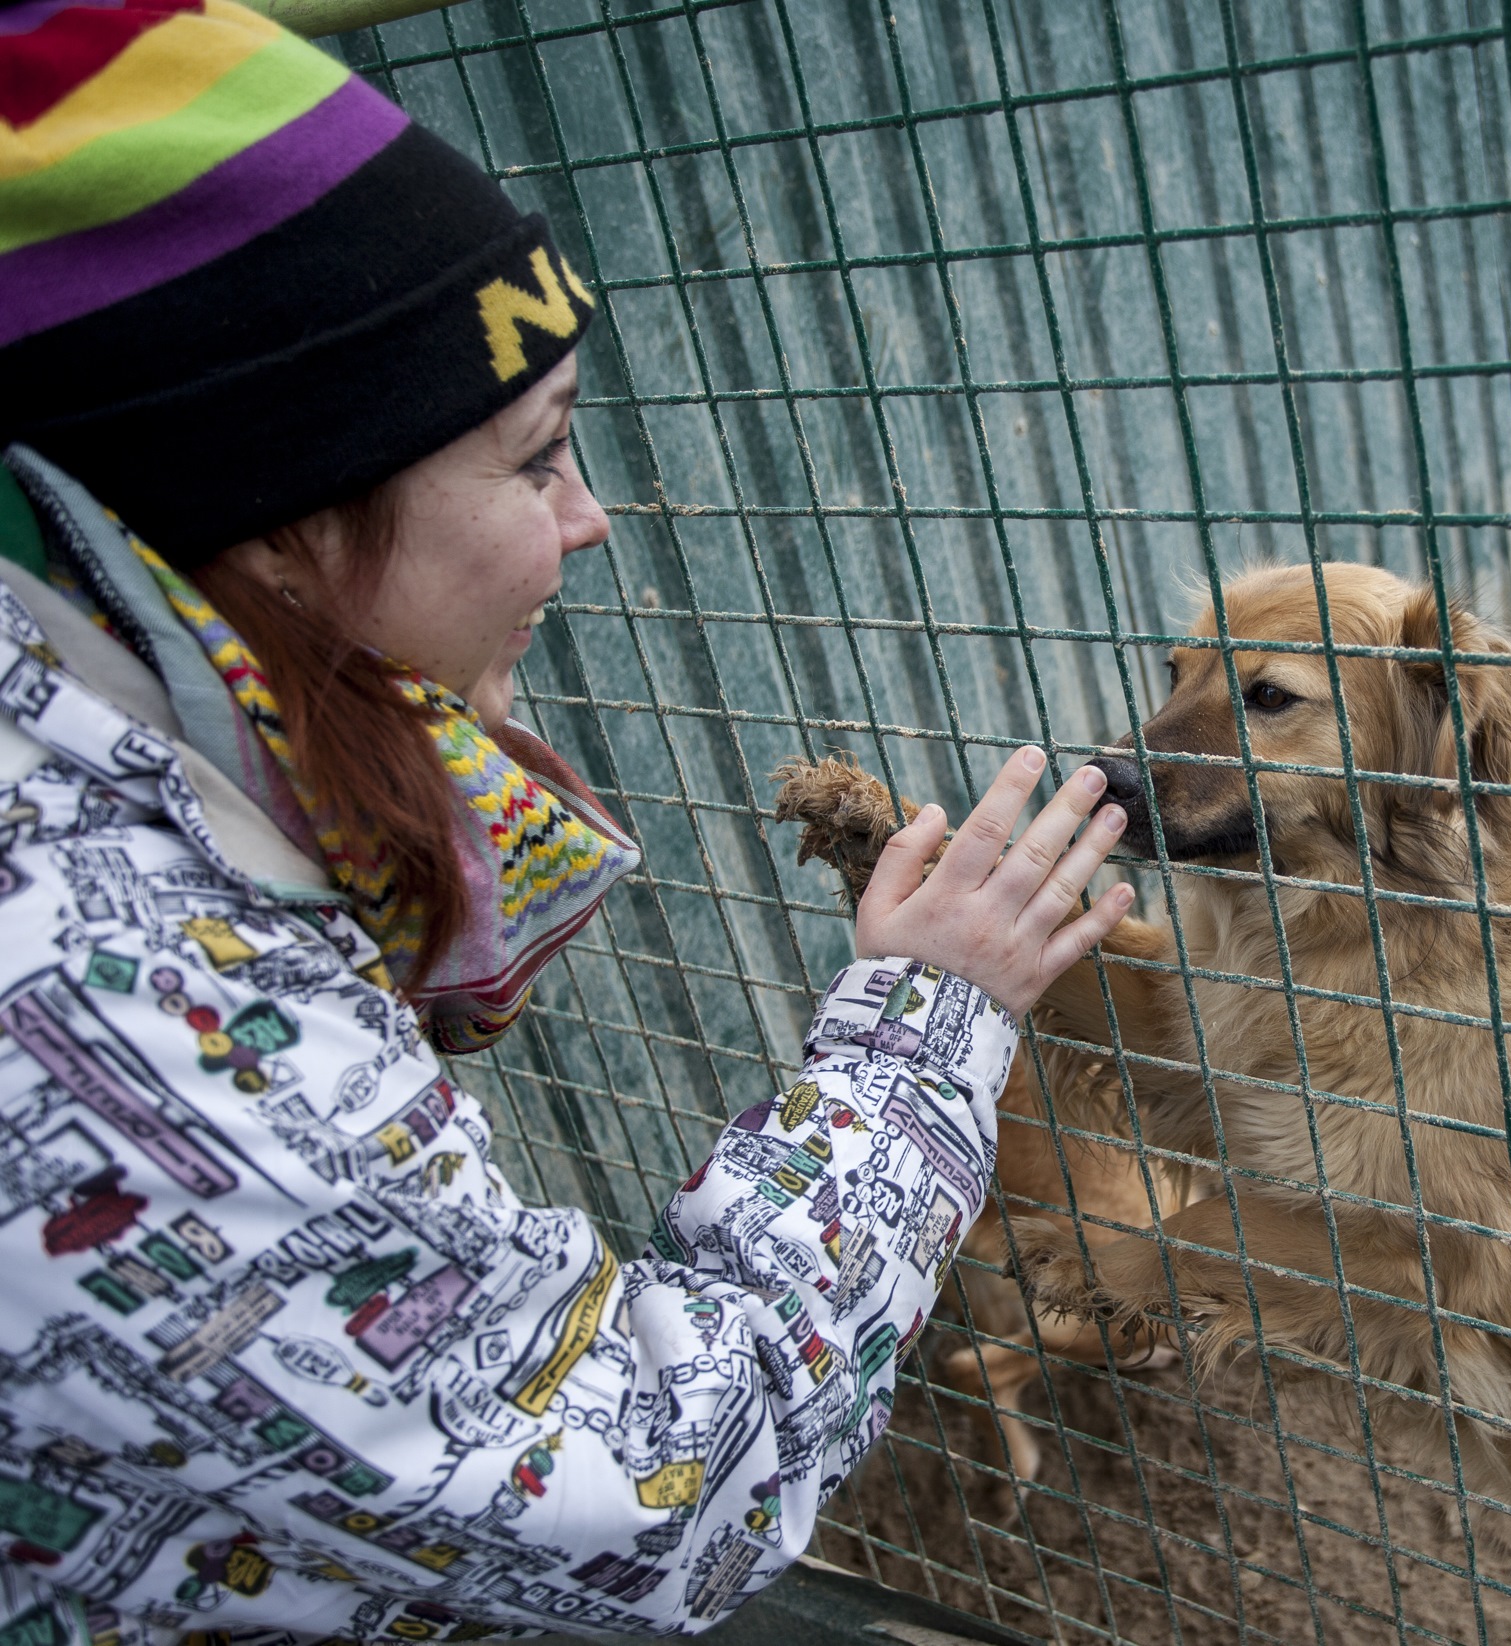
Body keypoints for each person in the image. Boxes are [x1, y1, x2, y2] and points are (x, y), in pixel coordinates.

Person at [0, 2, 1133, 1639]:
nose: (592, 519)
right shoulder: (103, 992)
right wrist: (930, 1024)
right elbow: (664, 1485)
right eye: (537, 460)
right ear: (283, 524)